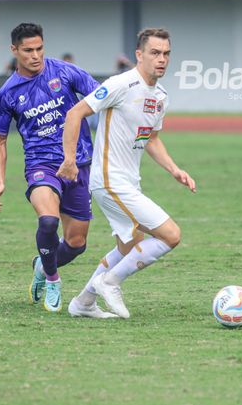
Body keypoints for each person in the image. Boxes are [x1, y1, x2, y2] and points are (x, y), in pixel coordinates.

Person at [57, 28, 196, 319]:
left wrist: (175, 170)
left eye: (166, 54)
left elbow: (152, 139)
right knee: (171, 235)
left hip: (128, 182)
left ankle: (82, 303)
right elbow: (75, 113)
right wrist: (70, 159)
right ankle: (110, 282)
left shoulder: (160, 96)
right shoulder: (121, 84)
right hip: (109, 180)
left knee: (127, 246)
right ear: (139, 54)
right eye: (155, 53)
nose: (162, 59)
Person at [0, 23, 112, 316]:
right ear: (14, 51)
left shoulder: (66, 72)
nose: (35, 56)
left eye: (39, 48)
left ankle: (41, 266)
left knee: (76, 243)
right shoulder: (8, 92)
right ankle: (54, 280)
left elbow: (102, 96)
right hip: (41, 166)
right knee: (47, 222)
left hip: (80, 163)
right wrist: (0, 181)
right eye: (28, 50)